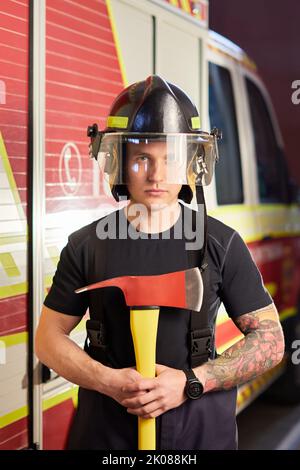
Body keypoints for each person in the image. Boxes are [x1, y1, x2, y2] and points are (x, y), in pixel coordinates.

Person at [35, 75, 284, 450]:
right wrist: (108, 381)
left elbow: (271, 340)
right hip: (107, 431)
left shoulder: (220, 244)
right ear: (119, 161)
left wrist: (190, 382)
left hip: (200, 431)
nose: (156, 175)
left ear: (191, 164)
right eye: (142, 159)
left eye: (170, 159)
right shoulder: (88, 245)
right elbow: (48, 338)